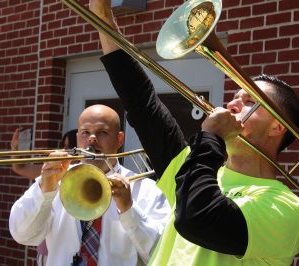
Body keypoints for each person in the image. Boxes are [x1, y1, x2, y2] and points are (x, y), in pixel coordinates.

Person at [89, 0, 299, 265]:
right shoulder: (194, 164)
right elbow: (141, 103)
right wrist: (102, 15)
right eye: (234, 96)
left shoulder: (286, 207)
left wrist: (211, 138)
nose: (232, 103)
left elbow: (197, 219)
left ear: (278, 126)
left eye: (249, 101)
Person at [9, 104, 170, 265]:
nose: (92, 138)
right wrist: (44, 190)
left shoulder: (145, 189)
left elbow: (163, 253)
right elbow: (22, 234)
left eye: (103, 132)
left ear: (119, 139)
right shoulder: (55, 180)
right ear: (78, 137)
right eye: (86, 132)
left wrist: (129, 210)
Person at [10, 128, 78, 265]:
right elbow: (20, 168)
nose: (65, 149)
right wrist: (15, 147)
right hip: (50, 252)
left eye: (69, 146)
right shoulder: (56, 171)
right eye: (63, 145)